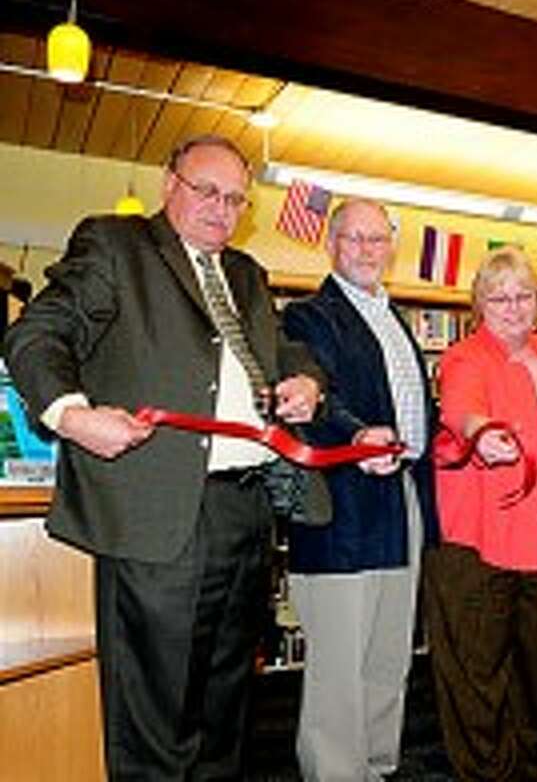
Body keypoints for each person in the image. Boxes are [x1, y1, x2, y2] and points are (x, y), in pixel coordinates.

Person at [2, 134, 327, 779]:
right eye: (207, 191)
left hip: (247, 511)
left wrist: (306, 380)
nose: (222, 209)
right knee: (156, 723)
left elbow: (282, 349)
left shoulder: (246, 274)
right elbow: (37, 333)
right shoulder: (115, 246)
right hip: (159, 518)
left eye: (236, 200)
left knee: (225, 710)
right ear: (168, 184)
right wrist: (70, 414)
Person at [281, 198, 439, 781]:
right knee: (340, 665)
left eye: (377, 239)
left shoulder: (391, 317)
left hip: (400, 500)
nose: (367, 250)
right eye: (354, 238)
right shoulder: (307, 316)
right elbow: (317, 394)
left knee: (388, 654)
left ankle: (376, 767)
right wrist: (357, 434)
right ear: (331, 243)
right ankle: (335, 774)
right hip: (341, 504)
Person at [424, 247, 537, 781]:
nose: (514, 308)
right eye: (499, 298)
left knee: (531, 655)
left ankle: (527, 757)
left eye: (524, 296)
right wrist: (481, 431)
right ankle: (487, 771)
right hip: (485, 530)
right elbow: (459, 406)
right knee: (479, 662)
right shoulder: (466, 357)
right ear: (479, 304)